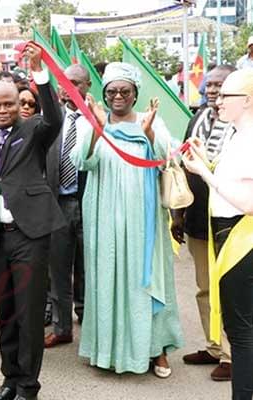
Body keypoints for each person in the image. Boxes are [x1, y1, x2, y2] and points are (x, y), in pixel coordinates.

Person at [0, 43, 64, 400]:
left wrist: (40, 75)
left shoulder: (35, 130)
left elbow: (54, 117)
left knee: (28, 314)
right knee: (5, 311)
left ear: (17, 104)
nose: (3, 110)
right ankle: (9, 381)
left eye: (8, 103)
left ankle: (28, 387)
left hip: (30, 235)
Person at [76, 62, 184, 378]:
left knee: (147, 279)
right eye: (112, 91)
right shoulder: (93, 122)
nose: (118, 96)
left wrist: (149, 132)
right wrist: (97, 130)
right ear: (105, 95)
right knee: (108, 276)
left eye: (125, 91)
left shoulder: (153, 121)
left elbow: (167, 158)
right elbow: (83, 161)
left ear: (135, 94)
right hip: (105, 216)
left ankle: (157, 350)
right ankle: (109, 350)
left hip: (143, 218)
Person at [181, 68, 253, 400]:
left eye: (226, 95)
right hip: (228, 234)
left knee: (242, 331)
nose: (218, 100)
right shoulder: (238, 133)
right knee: (238, 328)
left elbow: (248, 201)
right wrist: (203, 161)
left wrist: (204, 175)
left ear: (248, 100)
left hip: (242, 238)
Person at [173, 64, 236, 382]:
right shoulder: (196, 119)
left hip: (233, 220)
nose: (212, 91)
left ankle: (232, 353)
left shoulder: (243, 125)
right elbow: (185, 167)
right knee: (203, 288)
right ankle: (213, 347)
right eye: (209, 85)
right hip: (199, 218)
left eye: (219, 85)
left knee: (230, 289)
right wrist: (178, 214)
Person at [44, 64, 92, 349]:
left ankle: (88, 316)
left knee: (88, 265)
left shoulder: (98, 118)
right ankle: (62, 328)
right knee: (58, 268)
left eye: (75, 81)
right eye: (64, 81)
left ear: (86, 86)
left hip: (88, 202)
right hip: (57, 203)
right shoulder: (50, 119)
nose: (69, 86)